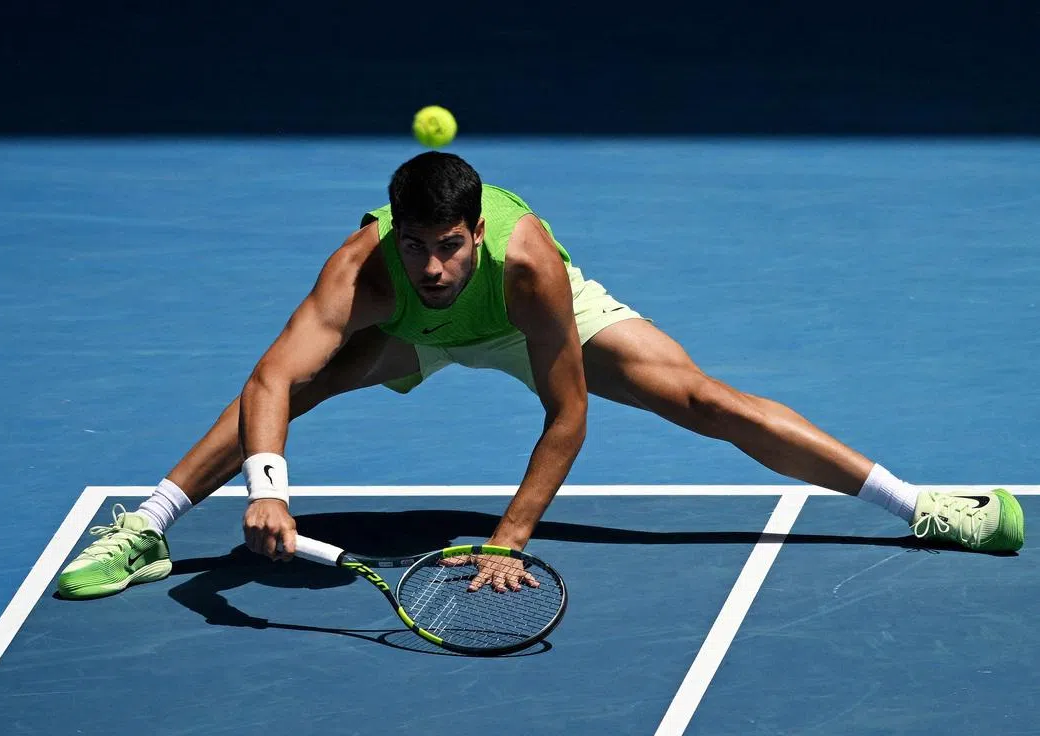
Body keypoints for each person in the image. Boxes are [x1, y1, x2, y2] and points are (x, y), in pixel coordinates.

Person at [56, 151, 1025, 600]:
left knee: (706, 399)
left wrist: (509, 537)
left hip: (530, 327)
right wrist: (269, 490)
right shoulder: (367, 268)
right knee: (291, 391)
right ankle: (147, 528)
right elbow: (267, 376)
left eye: (448, 246)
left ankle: (926, 506)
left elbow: (565, 415)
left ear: (477, 233)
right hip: (409, 340)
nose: (432, 266)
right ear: (393, 233)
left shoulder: (530, 269)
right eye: (417, 248)